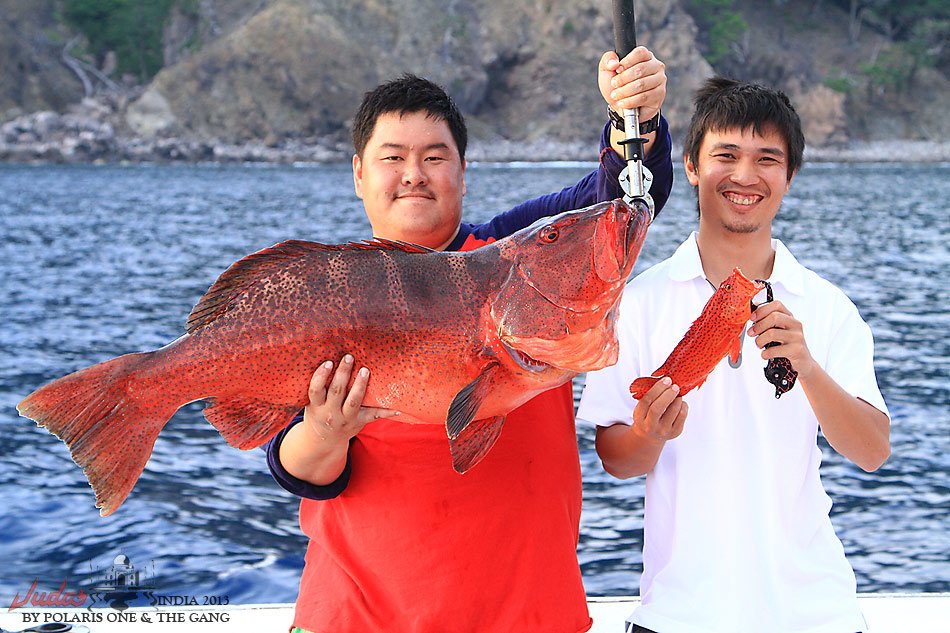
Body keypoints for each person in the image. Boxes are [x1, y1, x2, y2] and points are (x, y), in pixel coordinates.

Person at [265, 47, 673, 633]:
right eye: (392, 157)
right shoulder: (326, 297)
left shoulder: (514, 254)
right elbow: (294, 466)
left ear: (462, 170)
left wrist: (638, 119)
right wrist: (324, 431)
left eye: (435, 156)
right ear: (358, 172)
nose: (414, 173)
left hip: (531, 616)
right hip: (355, 618)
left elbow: (623, 203)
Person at [578, 77, 891, 633]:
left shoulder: (826, 305)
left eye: (767, 159)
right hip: (678, 615)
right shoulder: (637, 303)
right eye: (726, 155)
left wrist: (810, 368)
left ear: (789, 177)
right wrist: (649, 432)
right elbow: (617, 459)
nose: (745, 176)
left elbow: (871, 451)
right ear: (693, 166)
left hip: (815, 615)